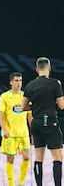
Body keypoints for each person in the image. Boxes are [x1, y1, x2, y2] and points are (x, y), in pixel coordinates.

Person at [22, 57, 64, 186]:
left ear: (36, 70)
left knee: (39, 156)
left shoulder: (30, 85)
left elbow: (23, 107)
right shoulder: (55, 83)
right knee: (58, 157)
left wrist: (35, 106)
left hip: (36, 123)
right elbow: (62, 105)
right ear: (49, 68)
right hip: (50, 122)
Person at [0, 72, 30, 186]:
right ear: (11, 82)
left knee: (26, 157)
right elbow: (0, 114)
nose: (18, 83)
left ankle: (21, 183)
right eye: (16, 80)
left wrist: (33, 132)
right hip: (10, 133)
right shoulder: (5, 96)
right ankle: (11, 184)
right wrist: (4, 129)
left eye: (20, 80)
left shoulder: (25, 96)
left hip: (24, 133)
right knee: (10, 159)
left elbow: (30, 115)